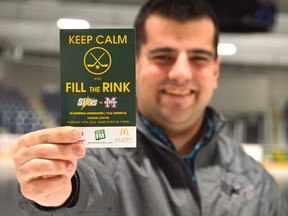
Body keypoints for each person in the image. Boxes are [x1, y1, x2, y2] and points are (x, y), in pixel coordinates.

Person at [13, 0, 288, 215]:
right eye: (163, 56)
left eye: (198, 58)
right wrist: (61, 193)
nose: (180, 73)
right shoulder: (95, 156)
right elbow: (88, 186)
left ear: (215, 69)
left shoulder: (254, 178)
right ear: (134, 64)